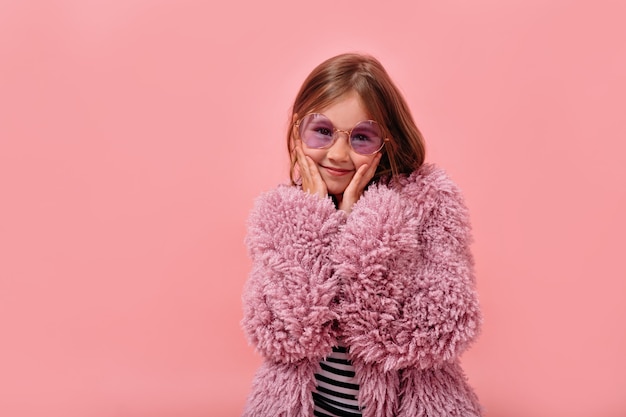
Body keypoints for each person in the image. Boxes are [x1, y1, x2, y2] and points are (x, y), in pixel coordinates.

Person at [241, 53, 482, 417]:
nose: (338, 154)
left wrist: (363, 227)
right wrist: (312, 221)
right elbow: (284, 337)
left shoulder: (428, 201)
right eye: (323, 131)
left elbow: (439, 329)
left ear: (387, 140)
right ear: (298, 131)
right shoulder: (283, 213)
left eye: (361, 137)